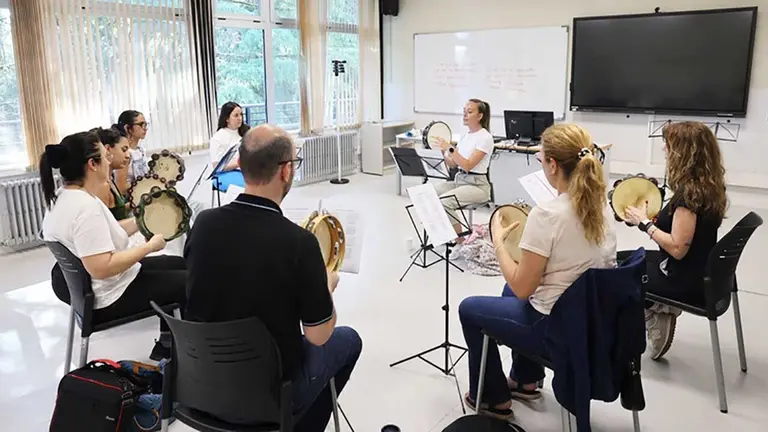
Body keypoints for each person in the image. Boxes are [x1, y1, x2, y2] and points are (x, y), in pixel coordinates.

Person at [184, 124, 362, 431]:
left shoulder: (204, 223)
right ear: (286, 171)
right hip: (268, 394)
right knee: (349, 341)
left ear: (239, 165)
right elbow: (317, 337)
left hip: (201, 383)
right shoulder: (299, 243)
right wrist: (327, 286)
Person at [458, 124, 617, 420]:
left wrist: (499, 244)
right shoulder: (601, 205)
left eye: (541, 159)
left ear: (553, 165)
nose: (541, 165)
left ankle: (493, 398)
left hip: (557, 328)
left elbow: (522, 288)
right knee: (507, 293)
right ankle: (524, 379)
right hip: (595, 319)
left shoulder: (548, 214)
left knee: (469, 309)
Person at [41, 131, 187, 361]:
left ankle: (167, 345)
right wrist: (149, 247)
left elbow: (106, 234)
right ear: (92, 164)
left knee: (178, 263)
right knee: (189, 282)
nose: (109, 160)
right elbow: (102, 267)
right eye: (104, 156)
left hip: (95, 287)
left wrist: (142, 220)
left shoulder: (63, 196)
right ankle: (186, 359)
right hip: (108, 296)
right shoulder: (85, 208)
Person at [622, 121, 727, 361]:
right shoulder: (708, 184)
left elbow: (678, 248)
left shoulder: (688, 195)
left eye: (668, 146)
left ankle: (654, 314)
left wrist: (645, 224)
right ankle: (659, 308)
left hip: (683, 279)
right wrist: (649, 218)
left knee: (617, 271)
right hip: (701, 270)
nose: (664, 150)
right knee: (626, 257)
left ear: (683, 153)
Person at [431, 99, 494, 237]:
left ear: (479, 116)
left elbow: (467, 164)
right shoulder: (465, 136)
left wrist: (450, 147)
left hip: (477, 185)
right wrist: (443, 151)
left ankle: (459, 243)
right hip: (460, 181)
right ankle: (444, 234)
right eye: (464, 112)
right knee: (429, 193)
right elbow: (453, 164)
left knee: (445, 202)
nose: (465, 115)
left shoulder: (485, 137)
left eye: (469, 112)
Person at [91, 127, 131, 220]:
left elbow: (116, 211)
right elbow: (107, 226)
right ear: (108, 149)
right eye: (124, 150)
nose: (128, 155)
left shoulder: (110, 179)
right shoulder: (102, 186)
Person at [112, 110, 150, 190]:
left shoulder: (141, 151)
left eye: (145, 124)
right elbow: (121, 187)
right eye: (141, 124)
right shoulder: (125, 154)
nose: (145, 128)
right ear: (127, 128)